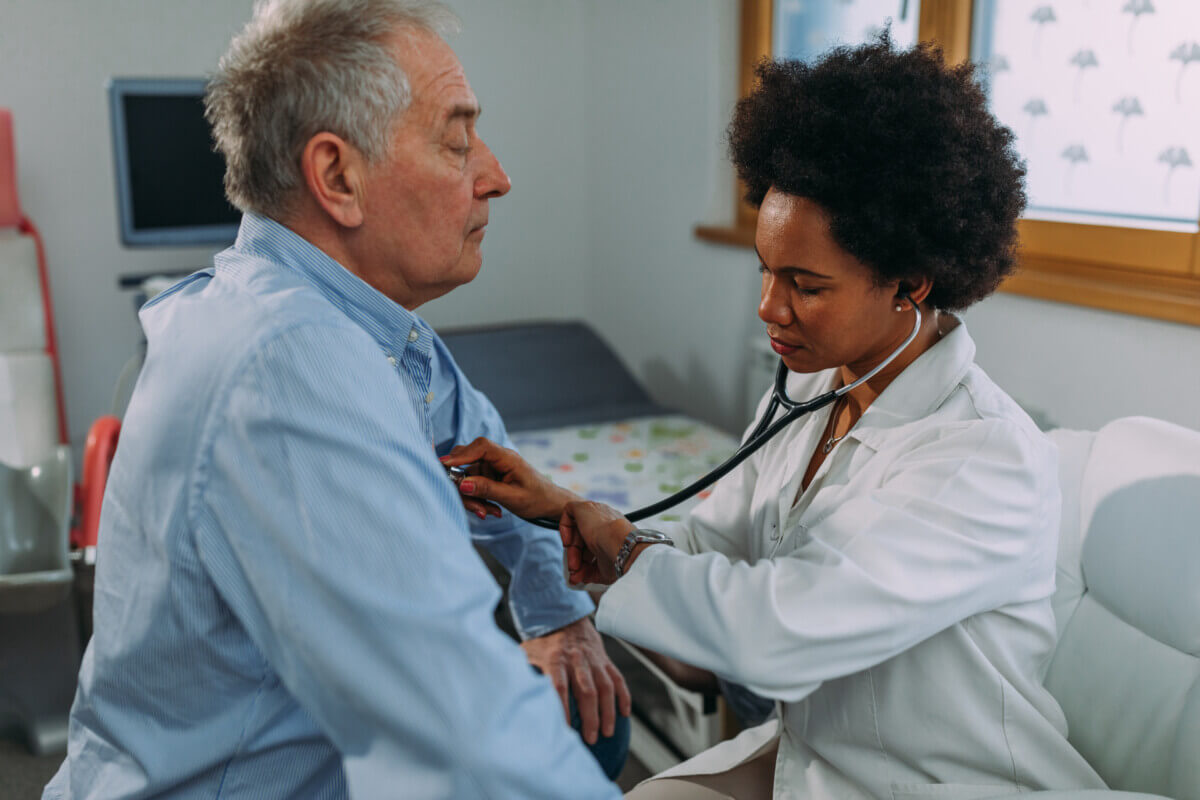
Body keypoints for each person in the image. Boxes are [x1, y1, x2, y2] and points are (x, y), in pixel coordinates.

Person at [444, 34, 1110, 800]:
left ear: (911, 282)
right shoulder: (808, 393)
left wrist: (623, 556)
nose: (768, 307)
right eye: (764, 269)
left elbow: (776, 634)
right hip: (820, 763)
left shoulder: (984, 458)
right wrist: (563, 510)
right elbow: (708, 542)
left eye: (806, 284)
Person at [44, 1, 628, 797]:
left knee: (589, 721)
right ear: (338, 177)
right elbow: (461, 724)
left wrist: (555, 611)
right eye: (457, 142)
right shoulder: (289, 365)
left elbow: (480, 447)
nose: (495, 175)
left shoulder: (344, 317)